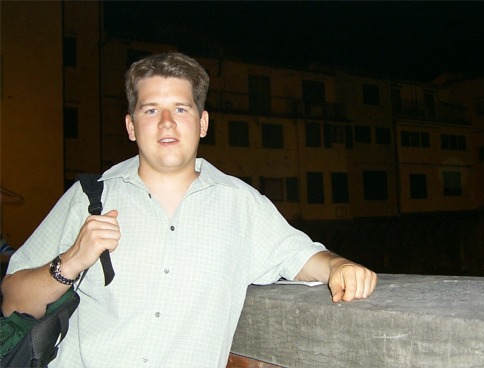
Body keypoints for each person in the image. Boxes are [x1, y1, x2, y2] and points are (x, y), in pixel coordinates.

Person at [1, 52, 377, 367]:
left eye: (180, 108)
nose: (166, 122)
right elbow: (13, 301)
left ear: (202, 122)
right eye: (151, 110)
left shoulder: (239, 204)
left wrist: (338, 266)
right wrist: (71, 261)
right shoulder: (88, 197)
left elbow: (301, 256)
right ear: (131, 126)